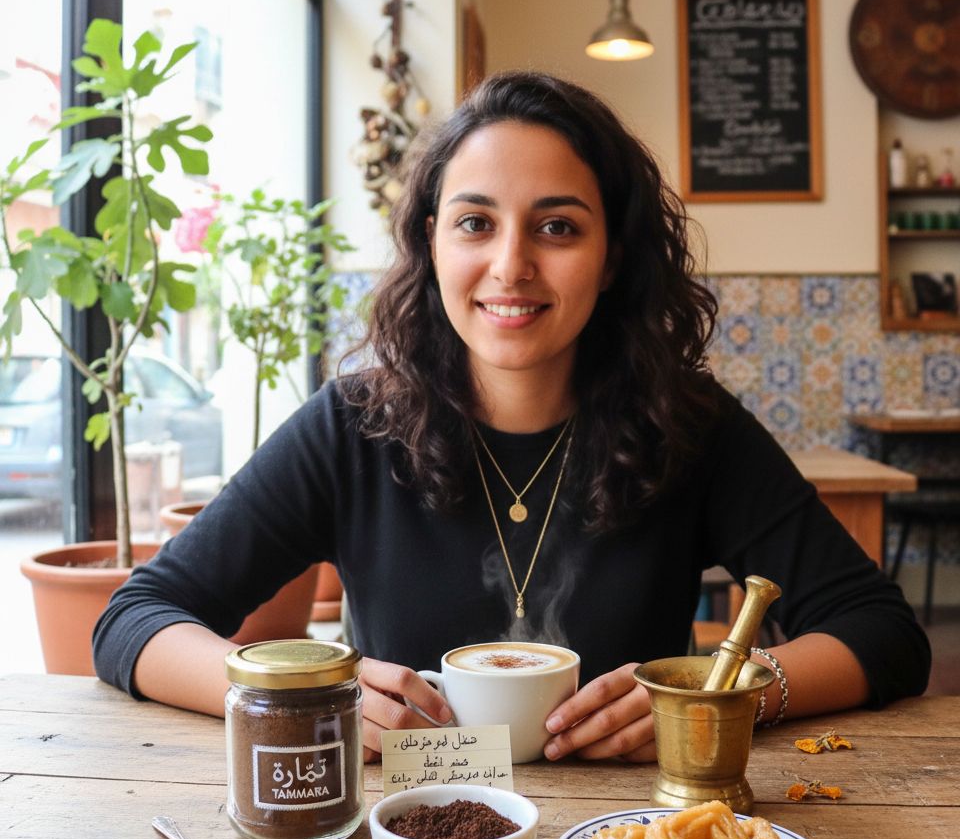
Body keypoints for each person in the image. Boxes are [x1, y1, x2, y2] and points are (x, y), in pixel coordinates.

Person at [94, 71, 930, 762]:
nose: (511, 266)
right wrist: (307, 694)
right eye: (475, 223)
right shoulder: (352, 426)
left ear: (610, 260)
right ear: (432, 243)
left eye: (557, 227)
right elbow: (134, 620)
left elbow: (884, 632)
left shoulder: (688, 425)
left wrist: (720, 695)